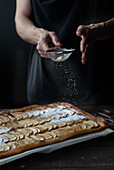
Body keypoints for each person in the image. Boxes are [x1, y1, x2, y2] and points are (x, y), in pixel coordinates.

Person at [15, 0, 114, 106]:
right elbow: (21, 18)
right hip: (45, 82)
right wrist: (38, 35)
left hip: (98, 79)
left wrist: (100, 30)